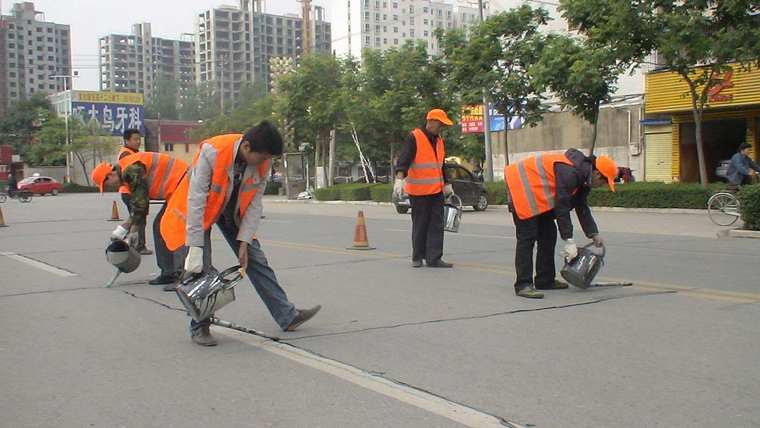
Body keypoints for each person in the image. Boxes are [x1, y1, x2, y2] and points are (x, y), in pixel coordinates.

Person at [160, 121, 321, 347]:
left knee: (255, 258)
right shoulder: (212, 152)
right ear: (246, 147)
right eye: (263, 157)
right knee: (202, 270)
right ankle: (200, 327)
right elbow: (195, 200)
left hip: (231, 212)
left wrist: (245, 240)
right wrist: (195, 247)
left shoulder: (262, 165)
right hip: (196, 214)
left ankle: (287, 315)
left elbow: (254, 205)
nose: (266, 162)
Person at [505, 149, 617, 299]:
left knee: (548, 234)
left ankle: (545, 280)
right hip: (521, 187)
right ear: (597, 174)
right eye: (603, 182)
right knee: (527, 237)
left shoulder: (583, 179)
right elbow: (562, 205)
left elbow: (581, 206)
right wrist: (568, 240)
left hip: (538, 194)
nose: (601, 186)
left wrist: (593, 233)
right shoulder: (570, 173)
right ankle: (523, 284)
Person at [91, 151, 189, 287]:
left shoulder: (131, 170)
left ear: (110, 175)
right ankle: (169, 272)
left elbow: (141, 205)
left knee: (174, 228)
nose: (111, 189)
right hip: (176, 188)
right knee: (160, 226)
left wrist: (126, 228)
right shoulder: (127, 173)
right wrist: (133, 230)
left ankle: (182, 275)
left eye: (107, 186)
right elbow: (139, 206)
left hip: (184, 183)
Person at [393, 109, 455, 268]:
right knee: (420, 224)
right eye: (440, 124)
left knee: (437, 225)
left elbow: (440, 165)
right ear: (432, 121)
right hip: (419, 192)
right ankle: (417, 257)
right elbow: (404, 159)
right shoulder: (414, 137)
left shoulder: (439, 141)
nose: (442, 128)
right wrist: (399, 179)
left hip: (436, 191)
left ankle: (434, 258)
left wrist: (447, 184)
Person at [117, 129, 151, 255]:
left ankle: (130, 242)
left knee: (138, 218)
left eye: (139, 139)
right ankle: (137, 246)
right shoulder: (126, 154)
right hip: (130, 192)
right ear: (127, 140)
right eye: (135, 139)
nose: (138, 141)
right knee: (138, 217)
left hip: (131, 191)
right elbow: (135, 176)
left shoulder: (132, 152)